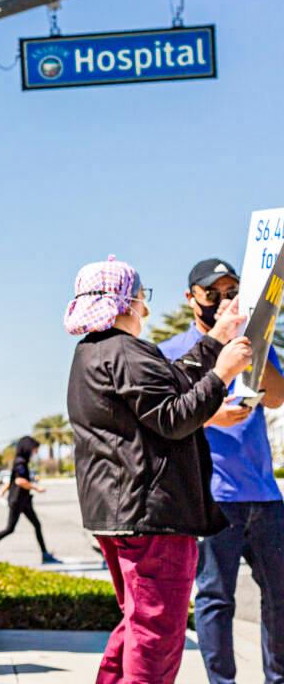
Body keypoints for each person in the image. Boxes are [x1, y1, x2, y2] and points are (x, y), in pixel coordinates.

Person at [63, 256, 252, 684]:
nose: (145, 309)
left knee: (136, 622)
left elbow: (169, 380)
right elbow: (173, 417)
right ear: (126, 301)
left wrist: (218, 339)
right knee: (156, 634)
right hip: (152, 517)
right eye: (140, 297)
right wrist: (222, 375)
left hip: (121, 515)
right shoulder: (127, 352)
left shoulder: (94, 352)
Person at [158, 258, 284, 684]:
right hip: (212, 496)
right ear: (191, 297)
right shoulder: (172, 352)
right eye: (213, 293)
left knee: (280, 597)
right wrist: (211, 417)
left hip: (265, 496)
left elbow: (278, 398)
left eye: (231, 292)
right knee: (215, 598)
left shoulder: (255, 344)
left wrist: (255, 344)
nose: (222, 300)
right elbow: (162, 419)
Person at [0, 436, 59, 564]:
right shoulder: (21, 462)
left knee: (37, 524)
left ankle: (45, 554)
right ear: (28, 448)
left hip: (24, 501)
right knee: (10, 528)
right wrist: (36, 488)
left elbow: (11, 481)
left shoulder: (20, 461)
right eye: (35, 449)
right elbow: (19, 481)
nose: (35, 452)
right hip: (18, 501)